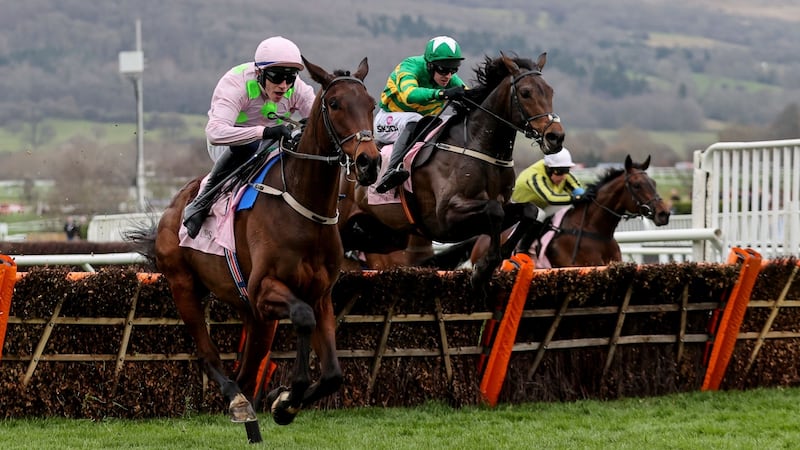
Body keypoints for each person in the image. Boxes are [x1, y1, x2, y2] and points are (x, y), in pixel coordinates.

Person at [182, 36, 316, 238]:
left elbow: (317, 120)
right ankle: (202, 201)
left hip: (272, 143)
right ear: (259, 73)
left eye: (290, 78)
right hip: (231, 144)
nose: (284, 86)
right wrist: (263, 132)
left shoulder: (297, 89)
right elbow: (215, 133)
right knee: (249, 147)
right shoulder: (235, 84)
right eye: (277, 77)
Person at [374, 36, 468, 193]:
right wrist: (442, 93)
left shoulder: (448, 77)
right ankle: (390, 171)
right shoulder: (410, 66)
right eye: (443, 69)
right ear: (430, 65)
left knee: (447, 121)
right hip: (387, 121)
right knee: (415, 119)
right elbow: (410, 94)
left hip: (419, 124)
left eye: (453, 70)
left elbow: (471, 96)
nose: (448, 75)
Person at [510, 147, 585, 253]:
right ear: (548, 169)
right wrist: (576, 198)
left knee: (566, 209)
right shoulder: (535, 176)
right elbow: (551, 198)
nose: (564, 176)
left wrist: (583, 196)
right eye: (560, 172)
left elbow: (579, 192)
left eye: (566, 170)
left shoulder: (561, 173)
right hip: (520, 208)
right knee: (540, 214)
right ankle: (522, 248)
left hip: (542, 206)